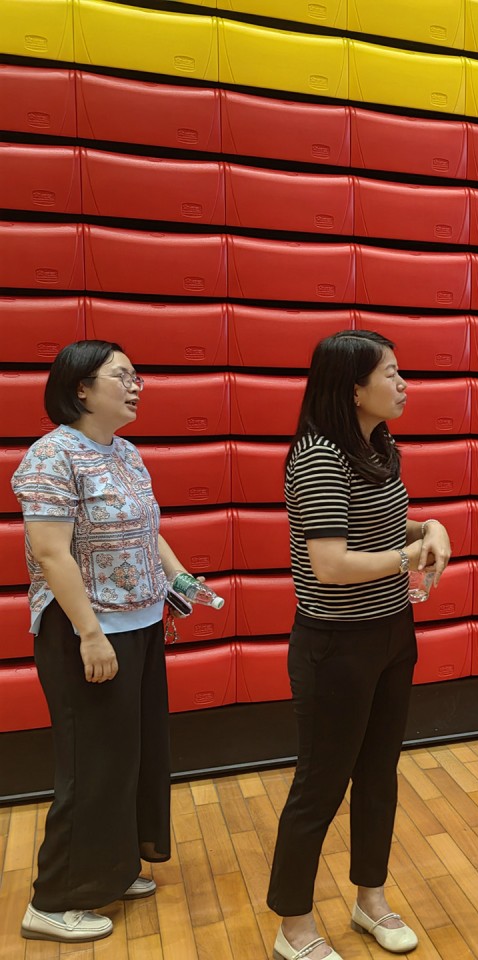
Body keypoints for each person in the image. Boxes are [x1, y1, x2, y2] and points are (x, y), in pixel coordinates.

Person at [268, 330, 451, 960]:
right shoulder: (319, 456)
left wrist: (431, 527)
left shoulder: (379, 445)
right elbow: (330, 564)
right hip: (336, 645)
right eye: (391, 373)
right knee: (319, 786)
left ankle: (370, 900)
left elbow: (386, 526)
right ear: (353, 388)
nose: (403, 384)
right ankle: (293, 927)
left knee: (378, 775)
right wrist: (409, 556)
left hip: (392, 632)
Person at [12, 340, 190, 943]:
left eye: (137, 376)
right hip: (85, 633)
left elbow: (147, 529)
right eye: (122, 376)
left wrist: (177, 577)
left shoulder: (125, 452)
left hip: (141, 625)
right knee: (91, 765)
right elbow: (50, 553)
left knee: (130, 757)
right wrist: (90, 632)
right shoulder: (51, 455)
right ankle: (54, 900)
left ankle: (111, 869)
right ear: (81, 388)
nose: (136, 385)